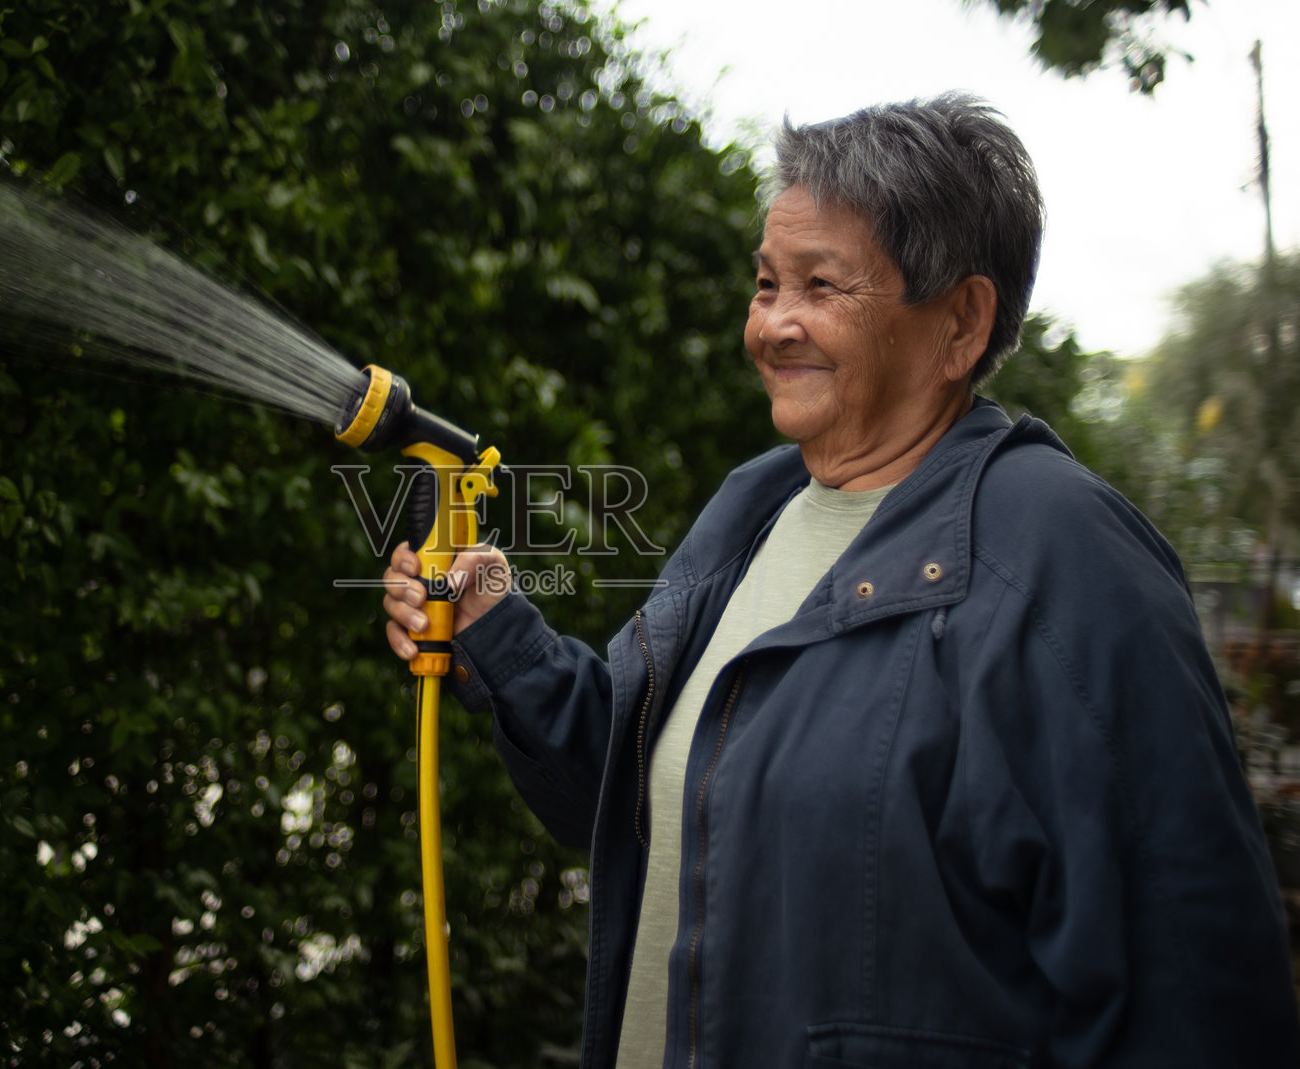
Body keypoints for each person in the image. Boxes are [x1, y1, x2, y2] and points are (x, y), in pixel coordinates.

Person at [381, 94, 1299, 1067]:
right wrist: (496, 629)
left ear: (960, 323)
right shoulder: (754, 506)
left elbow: (1190, 993)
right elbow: (634, 792)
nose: (772, 324)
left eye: (821, 286)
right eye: (766, 282)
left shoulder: (1065, 558)